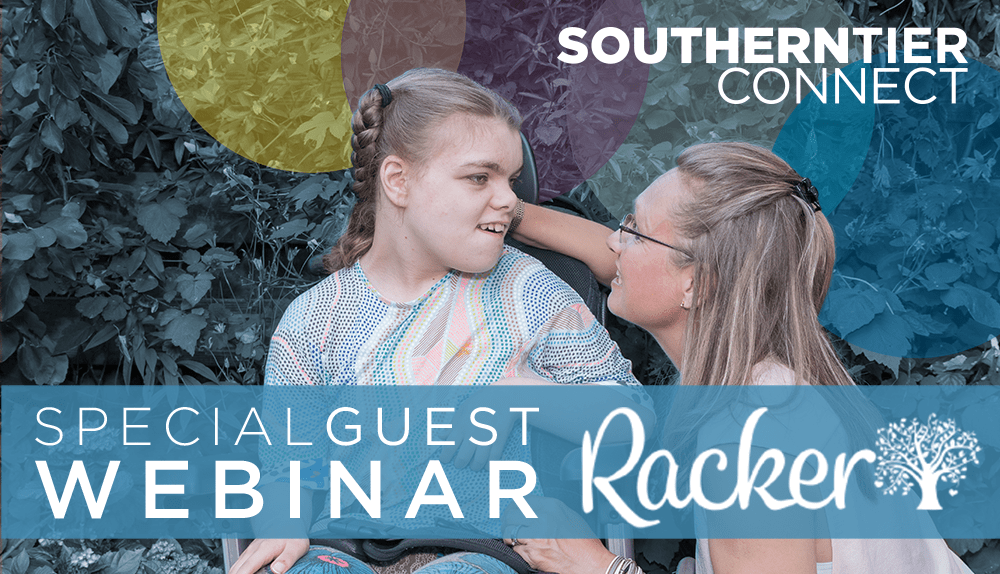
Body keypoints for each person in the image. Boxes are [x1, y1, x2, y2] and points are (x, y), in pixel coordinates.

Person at [228, 68, 651, 574]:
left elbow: (632, 418)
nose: (509, 200)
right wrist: (283, 524)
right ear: (398, 181)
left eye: (511, 181)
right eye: (479, 177)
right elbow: (288, 462)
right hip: (347, 552)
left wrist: (511, 392)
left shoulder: (523, 289)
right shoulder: (316, 319)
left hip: (481, 552)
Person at [504, 142, 973, 574]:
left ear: (697, 284)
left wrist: (594, 564)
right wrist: (507, 211)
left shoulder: (750, 449)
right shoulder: (773, 380)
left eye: (634, 231)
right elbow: (635, 267)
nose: (613, 242)